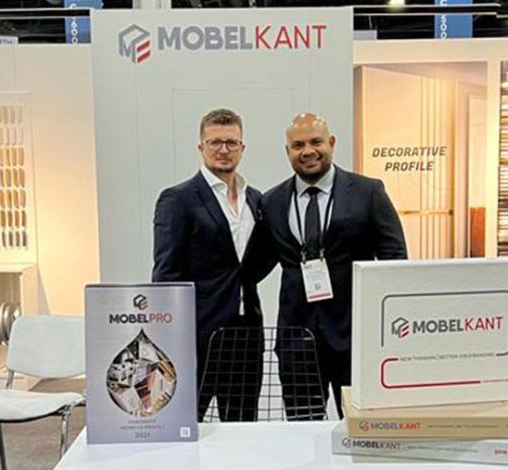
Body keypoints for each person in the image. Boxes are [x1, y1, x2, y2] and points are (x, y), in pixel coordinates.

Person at [245, 113, 407, 419]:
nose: (308, 151)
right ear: (288, 151)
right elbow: (252, 267)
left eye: (316, 142)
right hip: (297, 342)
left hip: (356, 337)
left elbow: (395, 259)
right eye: (298, 145)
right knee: (301, 429)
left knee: (363, 428)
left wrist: (390, 327)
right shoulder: (272, 202)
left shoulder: (368, 192)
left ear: (331, 143)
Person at [152, 108, 264, 421]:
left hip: (246, 333)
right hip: (197, 334)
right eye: (215, 142)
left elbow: (251, 264)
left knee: (242, 423)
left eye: (231, 142)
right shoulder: (177, 199)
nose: (223, 150)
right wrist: (170, 336)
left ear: (242, 147)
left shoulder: (255, 199)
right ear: (201, 147)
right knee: (186, 422)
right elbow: (165, 274)